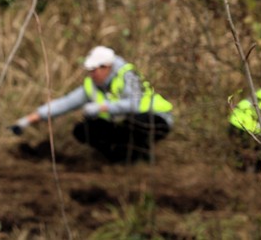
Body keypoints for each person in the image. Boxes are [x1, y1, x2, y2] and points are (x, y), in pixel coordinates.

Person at [10, 45, 174, 163]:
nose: (92, 74)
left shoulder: (128, 76)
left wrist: (103, 107)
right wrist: (26, 121)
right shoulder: (92, 86)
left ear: (107, 67)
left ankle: (142, 157)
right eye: (90, 70)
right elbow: (64, 104)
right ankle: (120, 160)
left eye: (95, 70)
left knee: (132, 123)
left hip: (156, 120)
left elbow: (135, 104)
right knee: (83, 129)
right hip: (125, 125)